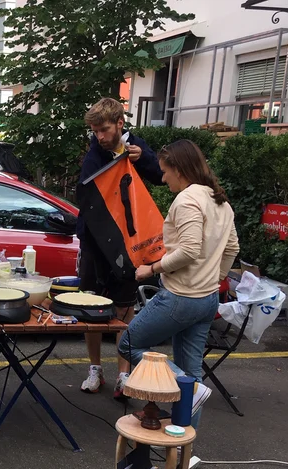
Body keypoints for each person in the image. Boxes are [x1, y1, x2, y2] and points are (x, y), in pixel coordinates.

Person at [118, 139, 240, 433]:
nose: (163, 178)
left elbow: (188, 251)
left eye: (164, 172)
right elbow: (232, 247)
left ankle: (188, 390)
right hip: (207, 299)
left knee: (129, 344)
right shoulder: (218, 199)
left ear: (180, 170)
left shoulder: (187, 200)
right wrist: (211, 278)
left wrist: (151, 269)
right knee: (192, 372)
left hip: (180, 298)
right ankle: (184, 446)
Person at [76, 97, 164, 399]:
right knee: (90, 310)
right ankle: (95, 370)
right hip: (93, 245)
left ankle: (123, 376)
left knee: (124, 311)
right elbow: (84, 191)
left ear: (120, 124)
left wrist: (145, 159)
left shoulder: (137, 148)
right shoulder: (93, 154)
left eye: (104, 130)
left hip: (127, 246)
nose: (99, 136)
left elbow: (162, 177)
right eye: (95, 131)